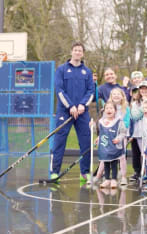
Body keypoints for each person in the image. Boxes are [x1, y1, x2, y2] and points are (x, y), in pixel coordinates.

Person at [51, 42, 94, 182]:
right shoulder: (62, 69)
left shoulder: (87, 71)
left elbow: (91, 91)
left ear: (83, 53)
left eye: (80, 50)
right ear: (71, 52)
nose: (77, 52)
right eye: (75, 50)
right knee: (59, 141)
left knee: (86, 142)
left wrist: (82, 105)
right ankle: (54, 171)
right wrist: (70, 106)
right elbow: (59, 90)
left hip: (82, 113)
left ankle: (85, 172)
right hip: (65, 112)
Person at [94, 88, 131, 185]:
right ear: (111, 96)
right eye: (113, 94)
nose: (116, 95)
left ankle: (123, 177)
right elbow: (102, 123)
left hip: (119, 136)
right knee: (105, 155)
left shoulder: (126, 108)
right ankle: (98, 175)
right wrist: (99, 136)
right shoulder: (107, 107)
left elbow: (126, 123)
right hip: (107, 135)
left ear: (122, 96)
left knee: (121, 156)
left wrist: (119, 135)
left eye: (118, 94)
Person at [128, 80, 147, 182]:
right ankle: (140, 172)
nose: (144, 90)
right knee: (141, 153)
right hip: (139, 132)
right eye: (142, 88)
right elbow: (135, 116)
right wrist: (144, 104)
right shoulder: (135, 103)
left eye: (146, 88)